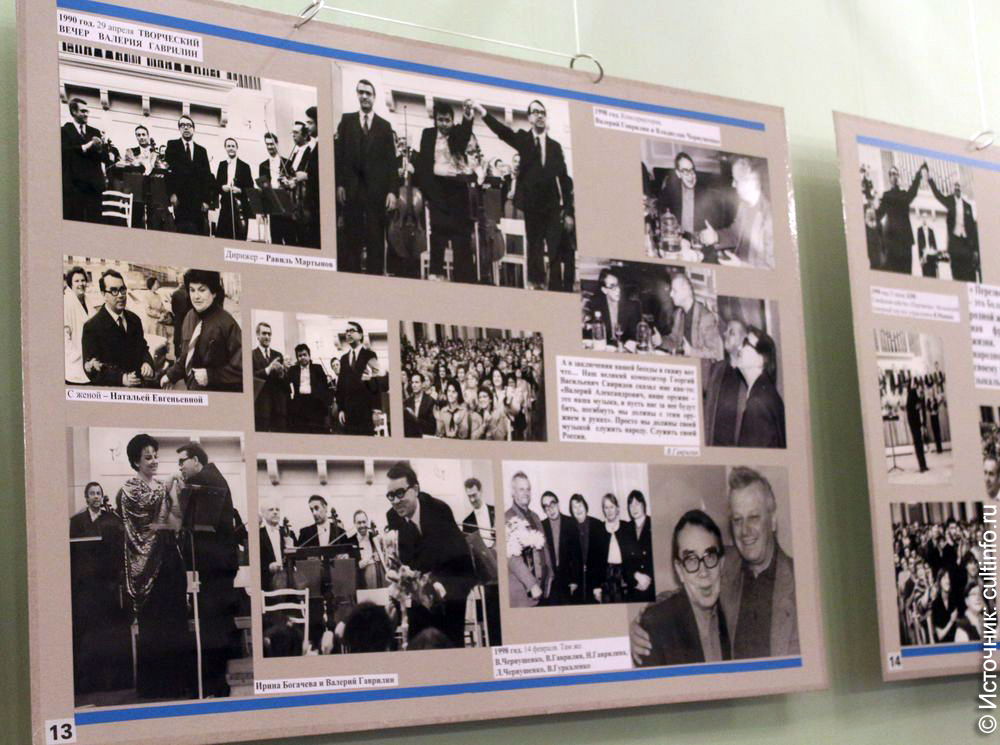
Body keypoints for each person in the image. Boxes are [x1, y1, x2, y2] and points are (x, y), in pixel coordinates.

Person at [632, 467, 798, 662]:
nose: (745, 531)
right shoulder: (726, 563)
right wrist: (643, 623)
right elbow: (688, 587)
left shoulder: (801, 583)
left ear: (773, 521)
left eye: (754, 517)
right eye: (737, 520)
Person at [117, 434, 194, 699]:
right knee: (155, 624)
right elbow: (145, 522)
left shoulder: (162, 485)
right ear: (136, 462)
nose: (153, 461)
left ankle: (179, 683)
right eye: (147, 457)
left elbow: (174, 521)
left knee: (176, 620)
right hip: (149, 567)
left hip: (170, 560)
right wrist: (168, 488)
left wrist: (176, 495)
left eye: (155, 456)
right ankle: (155, 687)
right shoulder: (130, 489)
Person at [471, 100, 575, 290]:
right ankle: (536, 287)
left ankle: (556, 291)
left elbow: (565, 181)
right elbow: (502, 132)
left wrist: (568, 212)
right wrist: (482, 111)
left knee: (555, 251)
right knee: (534, 249)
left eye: (542, 112)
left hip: (553, 208)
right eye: (535, 112)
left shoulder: (555, 147)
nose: (540, 115)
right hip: (532, 207)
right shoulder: (523, 140)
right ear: (529, 118)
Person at [384, 461, 476, 646]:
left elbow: (454, 561)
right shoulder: (393, 517)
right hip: (420, 593)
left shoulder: (439, 510)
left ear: (415, 489)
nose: (395, 501)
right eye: (391, 495)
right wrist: (400, 576)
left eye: (400, 493)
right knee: (418, 646)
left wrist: (425, 580)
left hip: (452, 585)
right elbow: (407, 559)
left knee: (448, 646)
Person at [175, 442, 239, 697]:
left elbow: (194, 523)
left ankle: (216, 685)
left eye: (182, 461)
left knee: (213, 626)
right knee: (216, 625)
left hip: (214, 567)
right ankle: (217, 683)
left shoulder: (205, 480)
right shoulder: (212, 476)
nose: (180, 467)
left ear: (196, 460)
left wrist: (179, 492)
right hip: (218, 565)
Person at [635, 510, 731, 666]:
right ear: (679, 570)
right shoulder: (656, 626)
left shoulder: (732, 613)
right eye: (691, 560)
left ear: (721, 563)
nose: (703, 572)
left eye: (710, 557)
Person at [69, 481, 128, 695]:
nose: (95, 496)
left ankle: (109, 682)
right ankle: (86, 682)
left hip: (105, 585)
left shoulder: (112, 520)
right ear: (86, 498)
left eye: (98, 493)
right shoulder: (76, 522)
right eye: (92, 493)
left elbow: (119, 551)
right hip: (84, 586)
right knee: (86, 631)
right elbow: (72, 553)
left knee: (107, 631)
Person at [335, 79, 399, 274]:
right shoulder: (346, 122)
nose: (364, 96)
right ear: (357, 95)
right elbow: (339, 156)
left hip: (376, 195)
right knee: (351, 242)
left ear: (374, 97)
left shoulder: (384, 126)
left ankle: (374, 283)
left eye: (368, 93)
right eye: (361, 92)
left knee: (375, 243)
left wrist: (392, 192)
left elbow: (391, 163)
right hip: (351, 192)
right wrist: (340, 184)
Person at [415, 101, 475, 282]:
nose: (444, 124)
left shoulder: (457, 133)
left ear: (452, 121)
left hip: (457, 193)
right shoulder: (427, 134)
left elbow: (465, 134)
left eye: (447, 120)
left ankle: (463, 279)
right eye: (440, 120)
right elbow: (424, 164)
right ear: (435, 120)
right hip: (437, 193)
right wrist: (429, 189)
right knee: (438, 236)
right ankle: (436, 275)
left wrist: (467, 117)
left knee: (461, 237)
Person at [161, 269, 242, 392]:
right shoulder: (189, 316)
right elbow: (186, 355)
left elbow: (243, 368)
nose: (196, 296)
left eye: (202, 290)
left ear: (213, 293)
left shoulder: (227, 323)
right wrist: (171, 375)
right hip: (192, 389)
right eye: (192, 290)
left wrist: (212, 376)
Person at [81, 269, 156, 388]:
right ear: (103, 294)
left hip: (138, 388)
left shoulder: (134, 320)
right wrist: (121, 379)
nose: (121, 295)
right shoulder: (92, 327)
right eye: (114, 291)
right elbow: (91, 369)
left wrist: (147, 363)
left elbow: (142, 348)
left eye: (122, 289)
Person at [657, 151, 730, 255]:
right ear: (678, 174)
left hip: (700, 244)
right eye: (685, 171)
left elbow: (716, 228)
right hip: (680, 241)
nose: (690, 175)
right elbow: (661, 210)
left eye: (692, 170)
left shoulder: (706, 192)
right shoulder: (671, 190)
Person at [505, 472, 552, 607]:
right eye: (521, 489)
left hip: (543, 590)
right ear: (513, 492)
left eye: (528, 489)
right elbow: (511, 558)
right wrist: (531, 584)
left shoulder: (535, 517)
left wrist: (550, 574)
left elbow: (544, 547)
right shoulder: (507, 518)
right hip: (523, 593)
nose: (526, 493)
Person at [735, 327, 786, 449]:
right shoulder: (765, 392)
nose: (739, 348)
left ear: (761, 360)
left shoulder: (757, 402)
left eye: (746, 343)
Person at [61, 98, 111, 223]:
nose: (86, 114)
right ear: (74, 112)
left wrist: (100, 149)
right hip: (74, 187)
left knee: (94, 221)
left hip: (93, 188)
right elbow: (65, 152)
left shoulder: (94, 132)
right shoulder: (64, 131)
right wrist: (87, 146)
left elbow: (105, 158)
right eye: (83, 111)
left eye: (87, 111)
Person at [720, 157, 774, 268]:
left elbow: (771, 267)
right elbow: (734, 234)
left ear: (751, 183)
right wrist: (715, 237)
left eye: (736, 181)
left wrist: (741, 266)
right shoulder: (743, 206)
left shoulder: (770, 217)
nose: (733, 184)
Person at [164, 115, 214, 235]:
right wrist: (172, 194)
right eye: (182, 125)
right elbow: (168, 172)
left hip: (198, 200)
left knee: (198, 232)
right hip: (180, 199)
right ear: (179, 129)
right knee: (182, 231)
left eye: (188, 125)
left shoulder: (202, 151)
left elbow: (206, 176)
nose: (186, 128)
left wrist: (206, 200)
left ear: (193, 129)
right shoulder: (172, 145)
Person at [928, 174, 979, 281]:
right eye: (955, 186)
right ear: (952, 188)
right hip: (955, 244)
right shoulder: (949, 202)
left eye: (958, 186)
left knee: (970, 274)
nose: (957, 188)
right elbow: (938, 195)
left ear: (961, 188)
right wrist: (930, 180)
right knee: (957, 273)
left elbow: (973, 230)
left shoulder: (968, 206)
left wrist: (975, 249)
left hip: (967, 244)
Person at [874, 164, 923, 274]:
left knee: (907, 272)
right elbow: (878, 215)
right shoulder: (887, 196)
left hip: (905, 240)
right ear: (889, 178)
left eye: (895, 174)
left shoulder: (904, 195)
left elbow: (913, 190)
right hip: (892, 240)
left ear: (898, 176)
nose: (893, 176)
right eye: (891, 174)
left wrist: (918, 175)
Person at [663, 272, 724, 360]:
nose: (671, 294)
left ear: (685, 291)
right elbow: (674, 341)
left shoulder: (706, 317)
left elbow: (715, 352)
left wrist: (691, 352)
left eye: (674, 290)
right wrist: (660, 341)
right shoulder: (678, 314)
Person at [335, 321, 381, 435]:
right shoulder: (343, 359)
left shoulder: (370, 355)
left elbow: (375, 383)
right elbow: (341, 386)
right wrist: (341, 409)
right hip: (349, 413)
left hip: (365, 412)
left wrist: (376, 410)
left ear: (360, 335)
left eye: (351, 331)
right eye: (346, 331)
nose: (348, 334)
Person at [540, 491, 582, 605]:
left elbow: (576, 554)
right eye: (546, 506)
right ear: (544, 510)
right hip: (550, 580)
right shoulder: (542, 526)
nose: (550, 509)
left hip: (568, 579)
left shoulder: (571, 523)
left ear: (558, 504)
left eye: (552, 504)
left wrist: (574, 580)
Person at [587, 267, 641, 349]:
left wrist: (630, 343)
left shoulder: (632, 306)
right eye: (612, 286)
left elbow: (635, 334)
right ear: (604, 290)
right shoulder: (596, 305)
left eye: (618, 285)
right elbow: (592, 331)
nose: (618, 290)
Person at [258, 131, 294, 245]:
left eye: (272, 144)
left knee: (290, 239)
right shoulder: (263, 166)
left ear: (277, 144)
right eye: (267, 144)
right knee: (276, 240)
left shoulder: (288, 163)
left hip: (286, 206)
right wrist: (263, 209)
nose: (270, 146)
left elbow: (293, 184)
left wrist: (286, 182)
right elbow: (263, 189)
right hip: (273, 206)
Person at [569, 494, 606, 604]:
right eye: (574, 507)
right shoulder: (569, 528)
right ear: (571, 511)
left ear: (585, 506)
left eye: (580, 505)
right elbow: (569, 558)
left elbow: (602, 557)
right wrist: (572, 580)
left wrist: (598, 585)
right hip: (578, 581)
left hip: (595, 580)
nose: (578, 509)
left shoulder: (597, 525)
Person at [252, 322, 288, 432]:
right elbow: (251, 376)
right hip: (261, 406)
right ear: (257, 335)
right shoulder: (251, 355)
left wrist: (282, 374)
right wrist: (268, 369)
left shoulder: (278, 355)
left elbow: (284, 382)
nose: (267, 336)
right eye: (264, 333)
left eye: (269, 334)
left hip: (278, 407)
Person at [215, 137, 253, 240]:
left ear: (236, 148)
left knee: (239, 235)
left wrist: (240, 190)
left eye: (233, 146)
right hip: (226, 204)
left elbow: (250, 187)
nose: (231, 148)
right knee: (223, 235)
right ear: (225, 148)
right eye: (228, 146)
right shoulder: (222, 165)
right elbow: (217, 185)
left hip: (240, 206)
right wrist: (222, 187)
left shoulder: (245, 166)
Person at [288, 344, 331, 434]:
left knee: (316, 430)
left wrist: (324, 404)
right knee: (301, 431)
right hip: (299, 404)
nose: (303, 357)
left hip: (315, 404)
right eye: (300, 355)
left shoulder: (317, 368)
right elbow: (287, 385)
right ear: (297, 358)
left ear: (309, 356)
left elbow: (325, 386)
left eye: (305, 354)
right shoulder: (292, 370)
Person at [622, 491, 655, 603]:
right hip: (634, 586)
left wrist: (647, 579)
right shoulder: (626, 529)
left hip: (653, 586)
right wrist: (636, 576)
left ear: (643, 505)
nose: (634, 508)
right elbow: (625, 561)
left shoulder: (653, 523)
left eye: (637, 504)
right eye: (631, 505)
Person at [64, 266, 92, 384]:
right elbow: (63, 337)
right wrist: (76, 356)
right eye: (77, 281)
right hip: (75, 364)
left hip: (90, 362)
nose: (81, 284)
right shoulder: (66, 302)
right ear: (71, 284)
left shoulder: (88, 301)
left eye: (83, 280)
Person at [597, 493, 627, 603]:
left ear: (617, 508)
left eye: (611, 507)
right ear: (603, 510)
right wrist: (596, 587)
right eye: (606, 507)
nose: (609, 511)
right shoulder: (599, 529)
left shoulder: (626, 526)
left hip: (624, 575)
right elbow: (595, 560)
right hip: (606, 576)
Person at [259, 499, 293, 592]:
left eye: (277, 509)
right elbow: (254, 561)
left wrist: (292, 549)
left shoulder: (288, 533)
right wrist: (268, 567)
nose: (275, 512)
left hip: (289, 579)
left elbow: (299, 560)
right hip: (267, 582)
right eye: (271, 509)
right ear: (263, 514)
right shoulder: (258, 535)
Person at [348, 510, 387, 589]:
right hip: (360, 582)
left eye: (364, 522)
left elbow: (385, 559)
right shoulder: (350, 541)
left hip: (377, 577)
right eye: (359, 523)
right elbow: (351, 567)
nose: (362, 525)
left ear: (367, 522)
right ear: (354, 523)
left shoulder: (375, 537)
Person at [904, 379, 929, 473]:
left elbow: (923, 409)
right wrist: (916, 408)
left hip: (920, 422)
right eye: (920, 388)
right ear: (917, 387)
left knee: (921, 443)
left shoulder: (921, 395)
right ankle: (921, 466)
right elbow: (909, 408)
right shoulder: (912, 393)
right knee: (918, 443)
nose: (922, 390)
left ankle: (924, 465)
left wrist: (924, 423)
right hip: (914, 423)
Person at [404, 371, 437, 437]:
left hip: (424, 436)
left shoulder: (430, 402)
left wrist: (415, 418)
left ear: (422, 384)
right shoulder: (407, 402)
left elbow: (432, 427)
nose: (414, 385)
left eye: (416, 382)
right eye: (412, 382)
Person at [930, 569, 959, 642]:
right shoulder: (936, 604)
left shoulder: (953, 600)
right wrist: (951, 621)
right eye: (944, 578)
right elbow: (940, 636)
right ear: (939, 582)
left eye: (948, 578)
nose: (947, 581)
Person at [915, 211, 939, 278]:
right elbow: (919, 244)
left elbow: (934, 243)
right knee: (925, 273)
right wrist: (920, 257)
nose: (924, 219)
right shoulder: (919, 230)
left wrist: (936, 256)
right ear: (921, 219)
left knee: (933, 273)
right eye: (923, 217)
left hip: (931, 254)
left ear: (927, 218)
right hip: (924, 254)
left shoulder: (931, 230)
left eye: (925, 217)